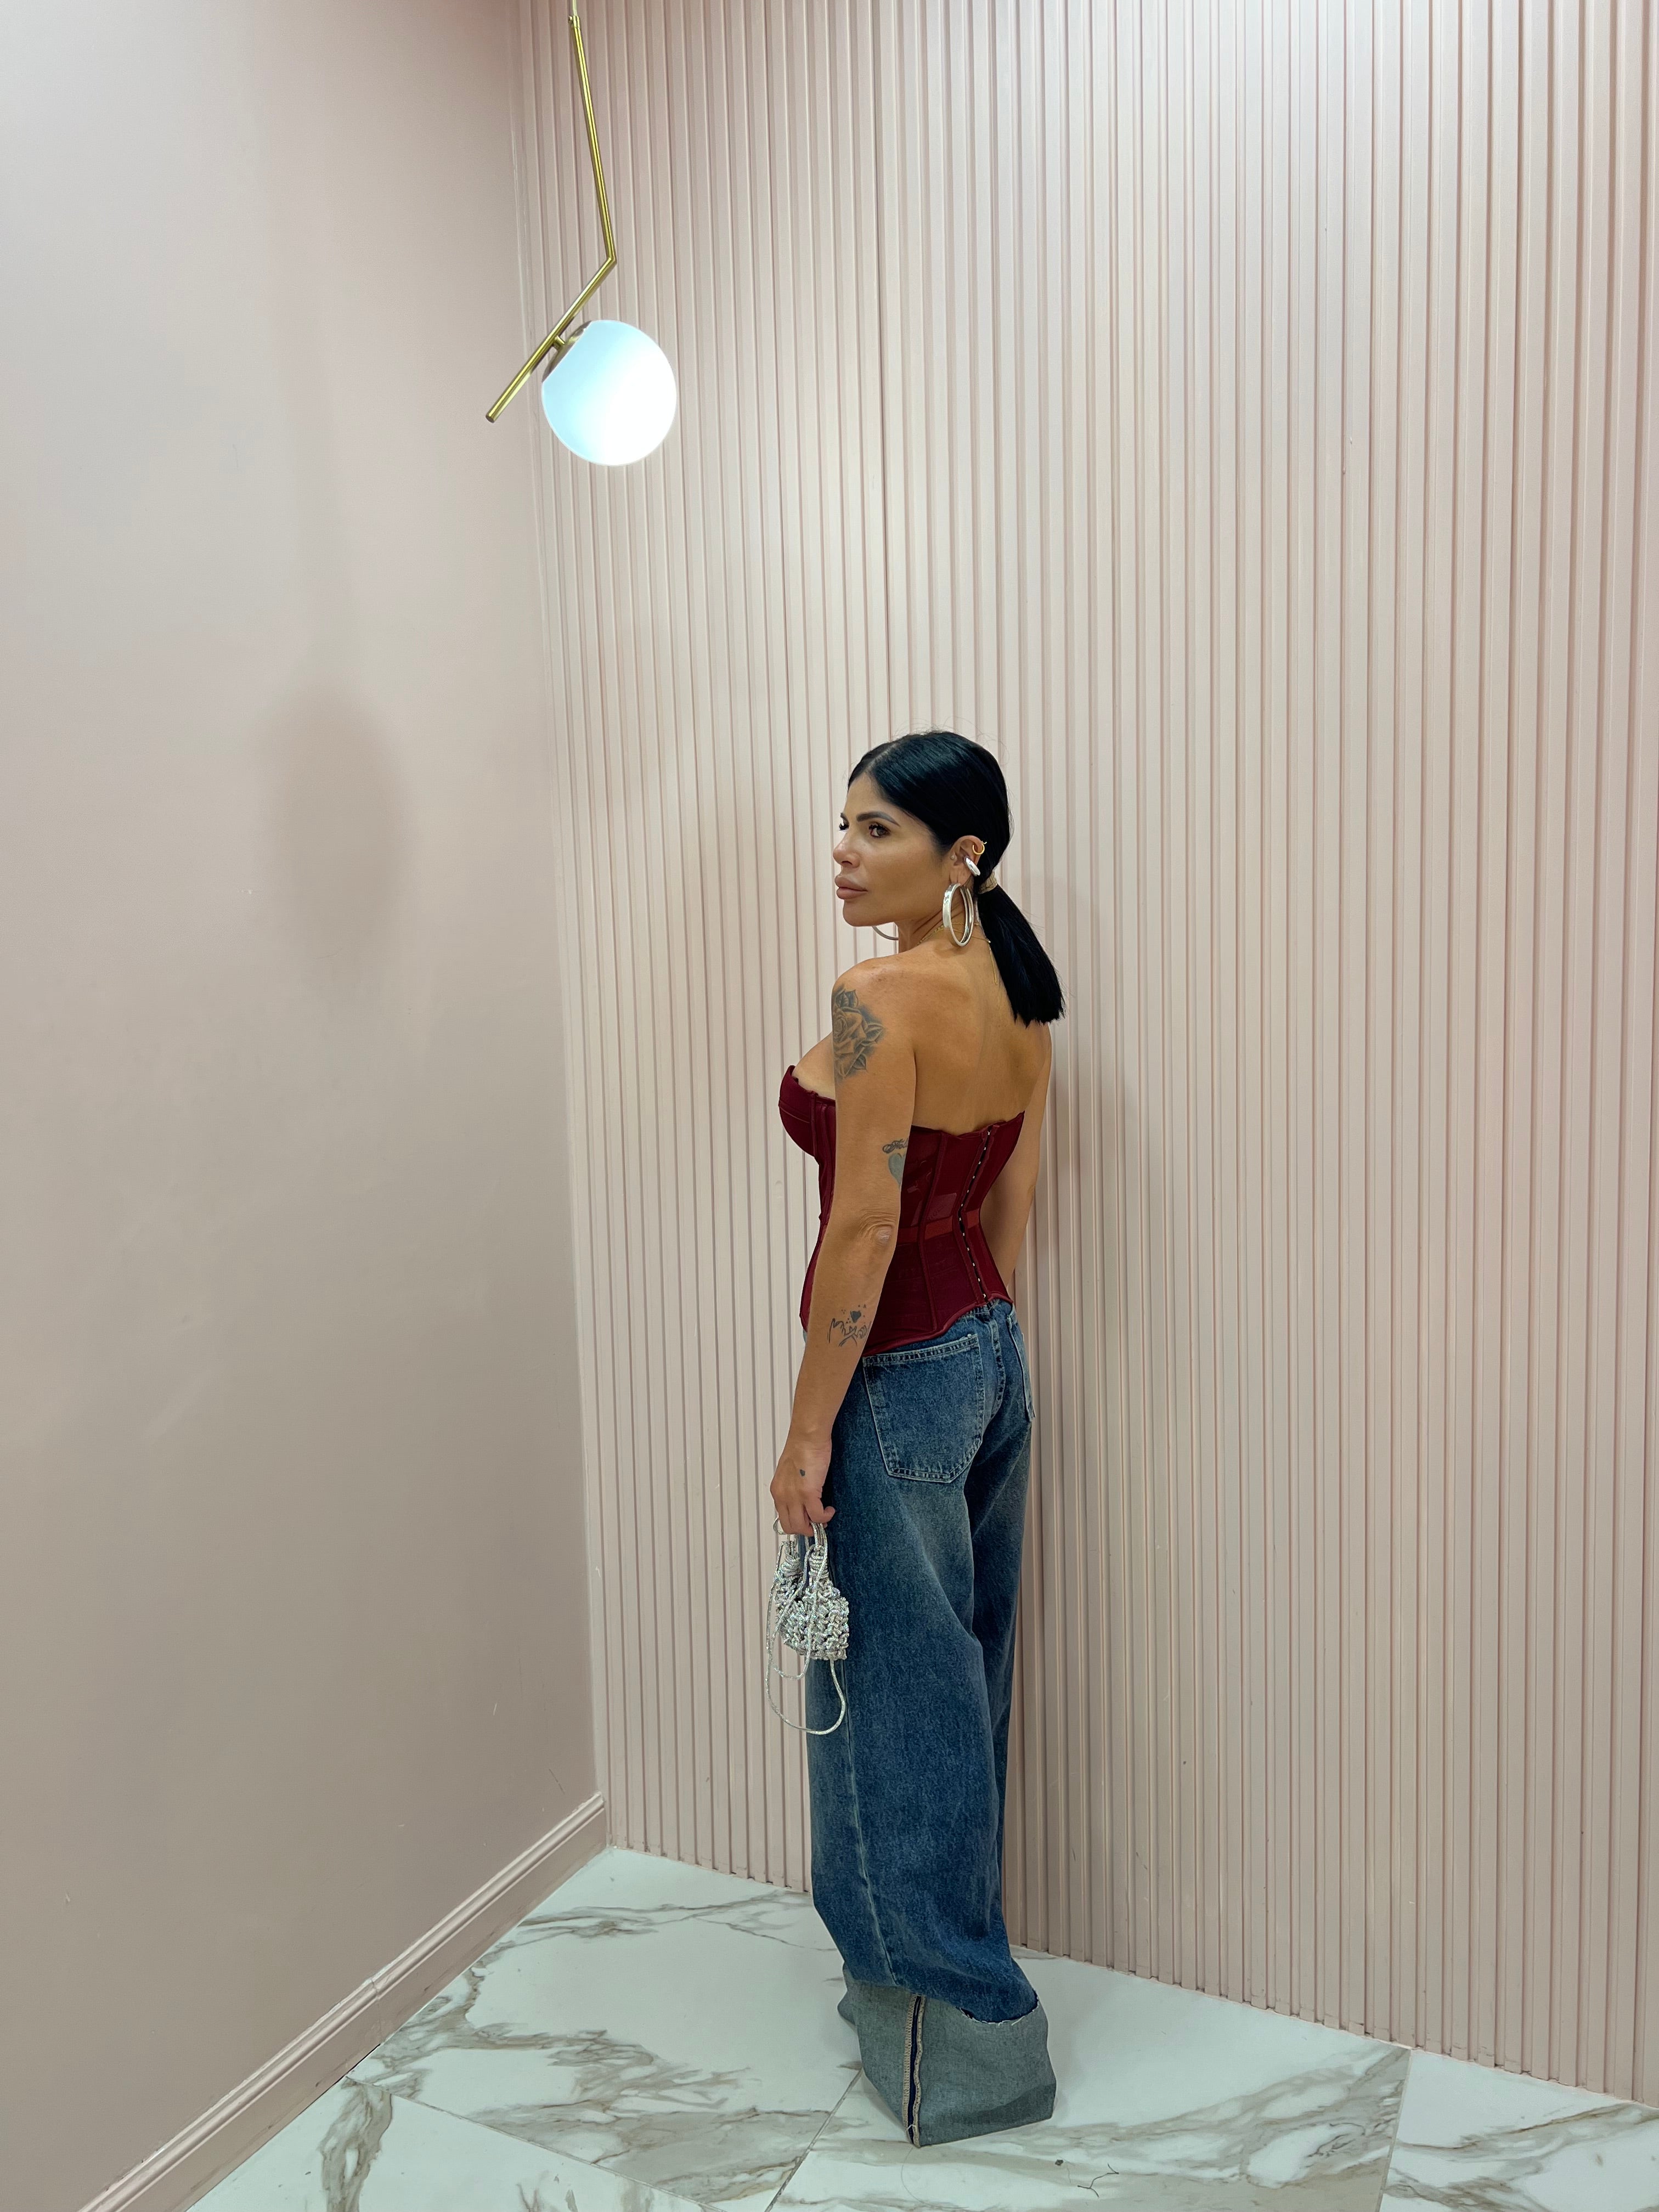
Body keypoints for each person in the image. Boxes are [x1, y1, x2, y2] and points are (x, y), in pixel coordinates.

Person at [772, 729, 1068, 2147]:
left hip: (896, 1371)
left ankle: (975, 2034)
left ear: (965, 855)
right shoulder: (1014, 984)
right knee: (959, 1680)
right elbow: (1013, 1197)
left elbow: (867, 1228)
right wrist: (990, 1356)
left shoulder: (878, 997)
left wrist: (805, 1436)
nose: (844, 851)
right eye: (844, 823)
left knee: (894, 1695)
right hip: (988, 1351)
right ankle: (906, 1981)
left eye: (878, 829)